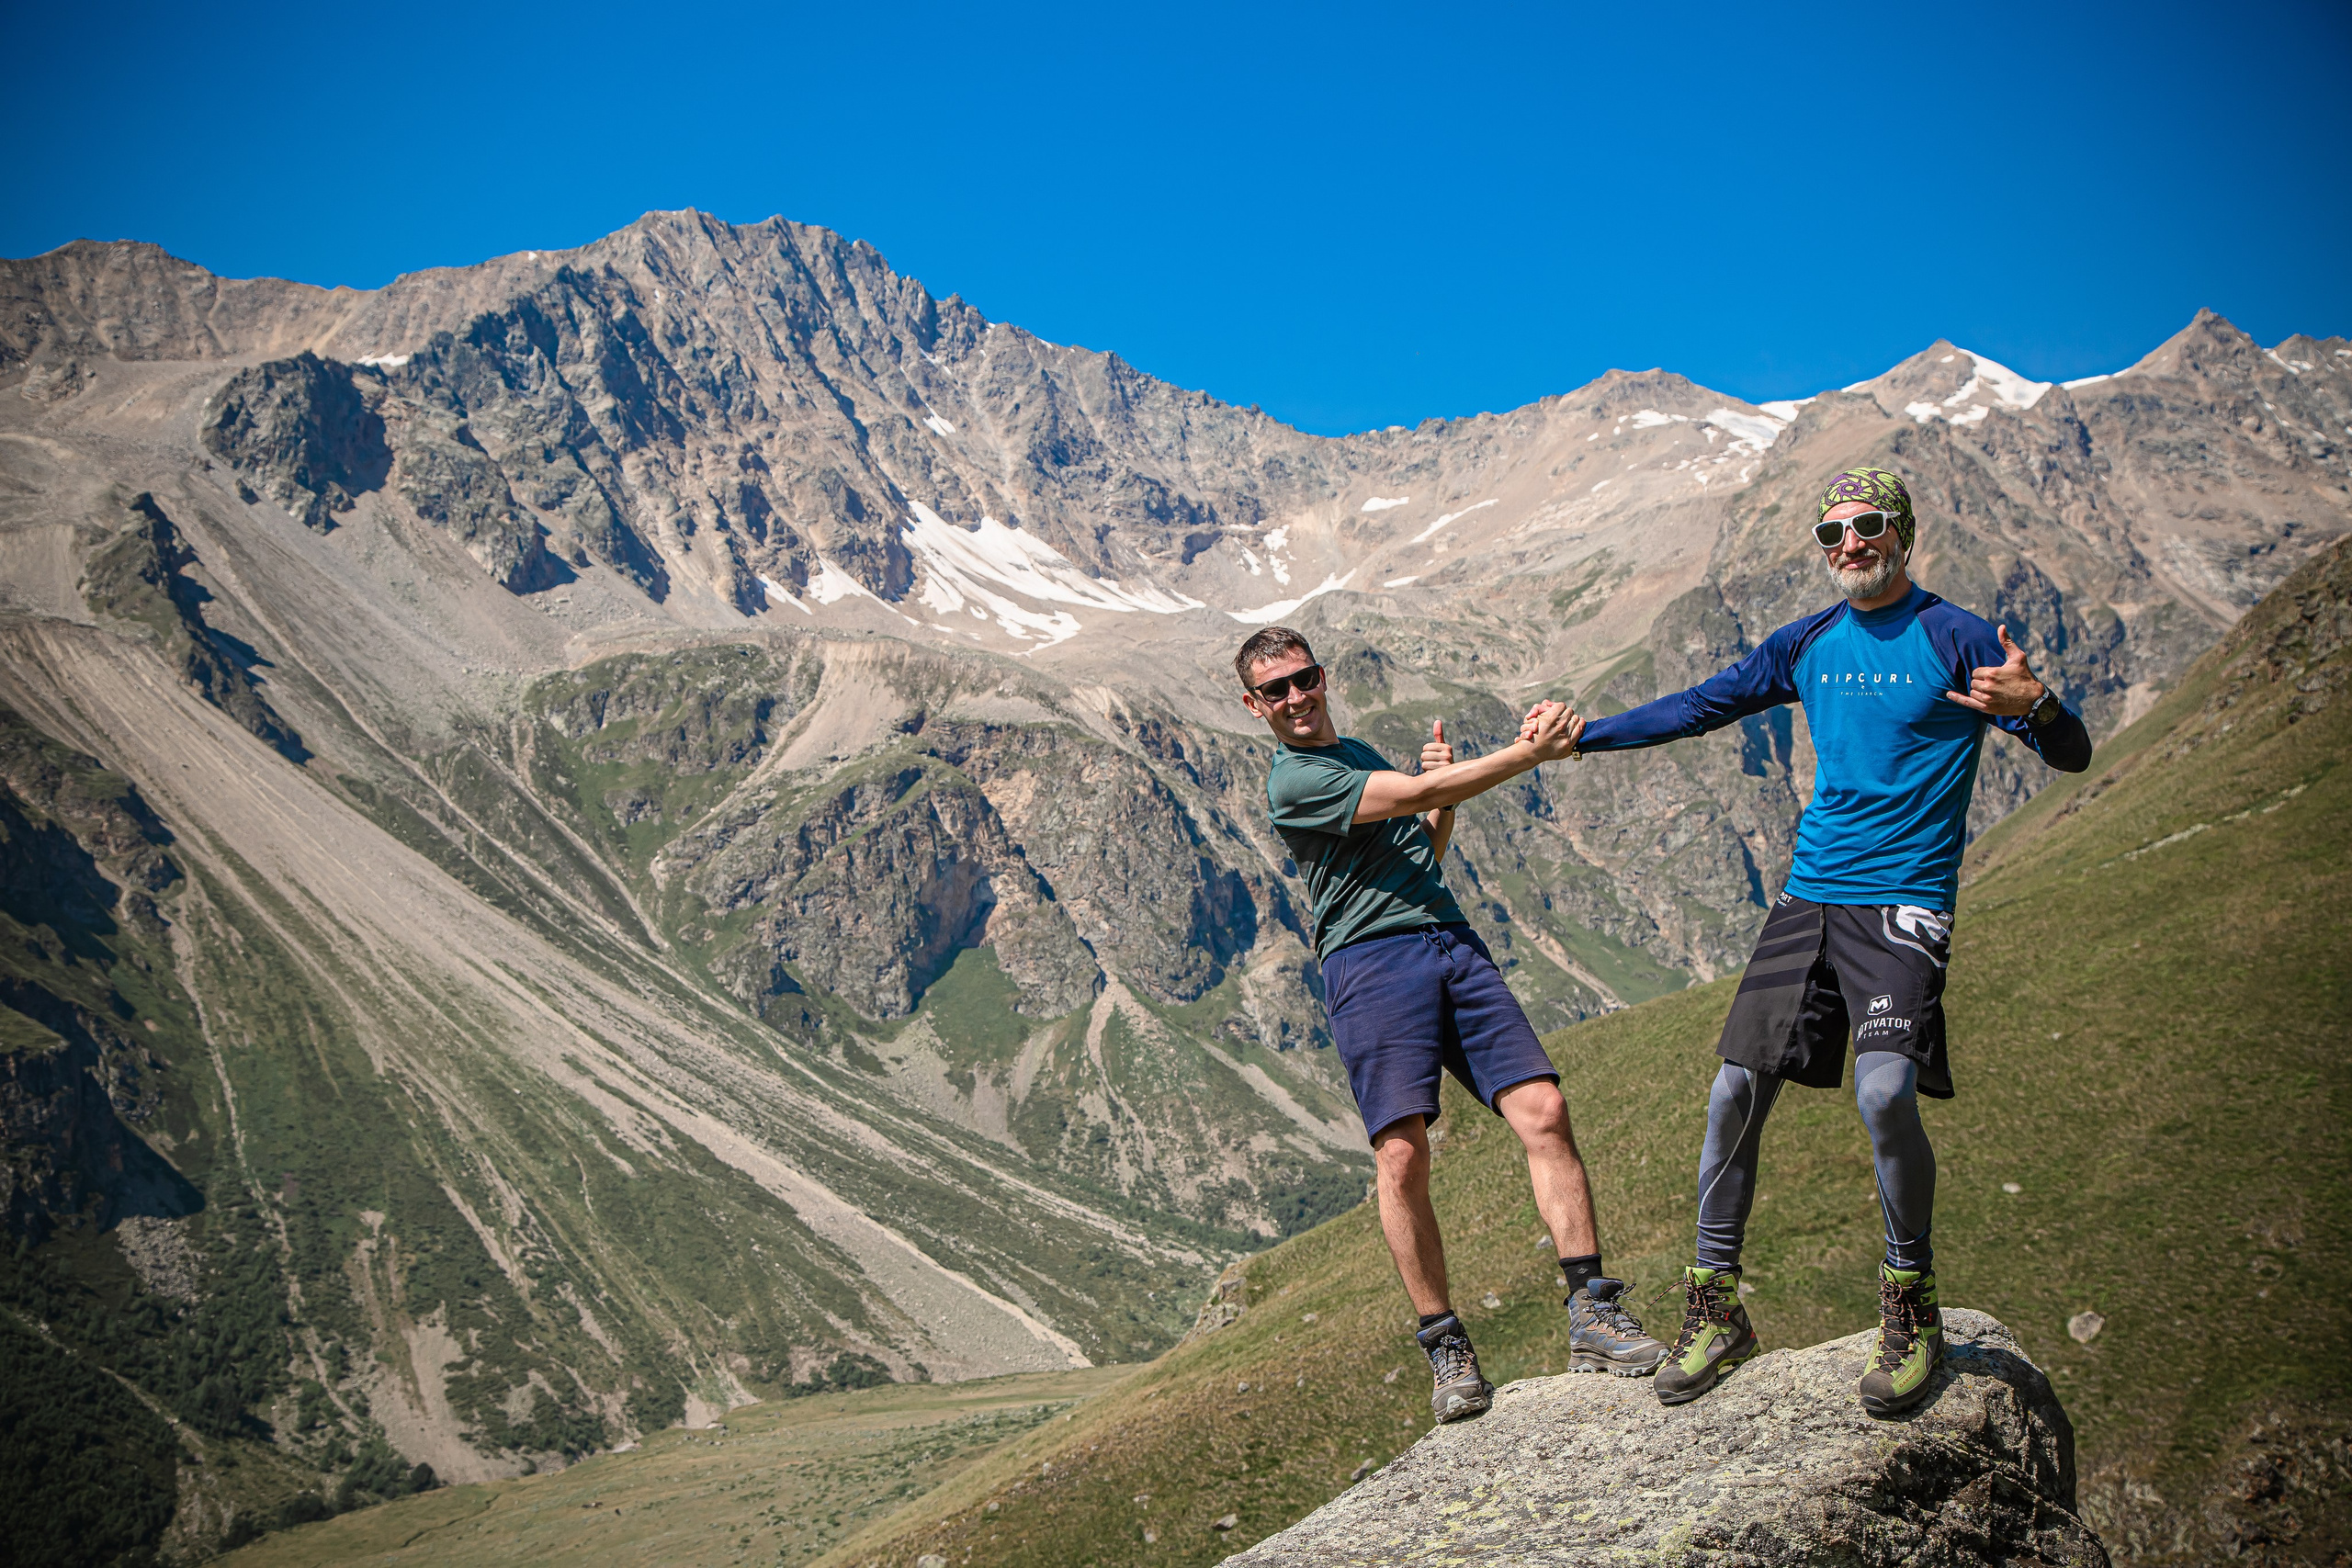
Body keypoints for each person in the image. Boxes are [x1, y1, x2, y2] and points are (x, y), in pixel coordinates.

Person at [1546, 466, 2092, 1416]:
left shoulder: (1954, 635)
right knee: (1732, 1095)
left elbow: (2071, 753)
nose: (1849, 545)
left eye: (1866, 526)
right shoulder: (1807, 642)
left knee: (1884, 1095)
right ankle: (1716, 1308)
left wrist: (2036, 706)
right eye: (1830, 534)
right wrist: (1582, 735)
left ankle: (1910, 1308)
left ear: (1902, 534)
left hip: (1903, 902)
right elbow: (1699, 705)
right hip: (1810, 897)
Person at [1237, 626, 1668, 1424]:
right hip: (1368, 962)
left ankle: (1593, 1310)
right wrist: (1522, 755)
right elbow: (1418, 800)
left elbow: (1422, 844)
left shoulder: (1358, 750)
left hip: (1447, 941)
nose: (1295, 699)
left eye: (1303, 680)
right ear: (1254, 704)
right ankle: (1445, 1344)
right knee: (1402, 1153)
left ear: (1321, 677)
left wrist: (1443, 794)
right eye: (1276, 691)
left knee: (1544, 1108)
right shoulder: (1293, 780)